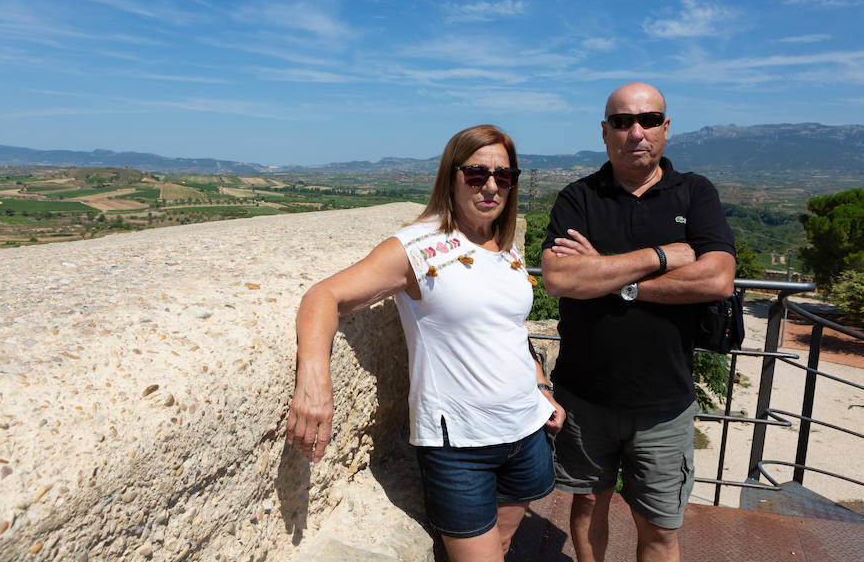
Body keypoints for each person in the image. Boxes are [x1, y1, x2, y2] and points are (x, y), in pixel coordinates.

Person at [287, 124, 565, 561]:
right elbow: (324, 295)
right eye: (476, 174)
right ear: (451, 176)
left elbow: (510, 327)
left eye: (503, 176)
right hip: (459, 445)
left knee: (506, 546)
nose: (491, 186)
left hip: (526, 430)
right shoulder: (420, 247)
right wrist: (314, 379)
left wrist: (541, 387)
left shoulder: (504, 245)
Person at [541, 83, 735, 562]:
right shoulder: (578, 197)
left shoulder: (695, 192)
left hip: (664, 402)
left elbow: (717, 279)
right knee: (586, 505)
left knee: (660, 526)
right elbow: (560, 276)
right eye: (623, 122)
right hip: (584, 397)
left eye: (648, 120)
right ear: (605, 132)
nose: (636, 131)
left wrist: (610, 276)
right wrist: (662, 256)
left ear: (666, 129)